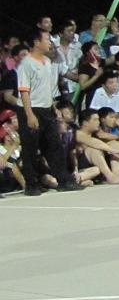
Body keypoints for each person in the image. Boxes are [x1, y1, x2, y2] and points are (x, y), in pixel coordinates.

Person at [17, 30, 83, 195]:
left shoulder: (47, 61)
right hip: (31, 109)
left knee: (54, 145)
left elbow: (48, 89)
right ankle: (31, 184)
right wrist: (29, 115)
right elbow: (24, 91)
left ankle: (64, 180)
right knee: (30, 148)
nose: (50, 43)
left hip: (47, 109)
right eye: (47, 39)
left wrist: (54, 108)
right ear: (36, 42)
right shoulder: (26, 64)